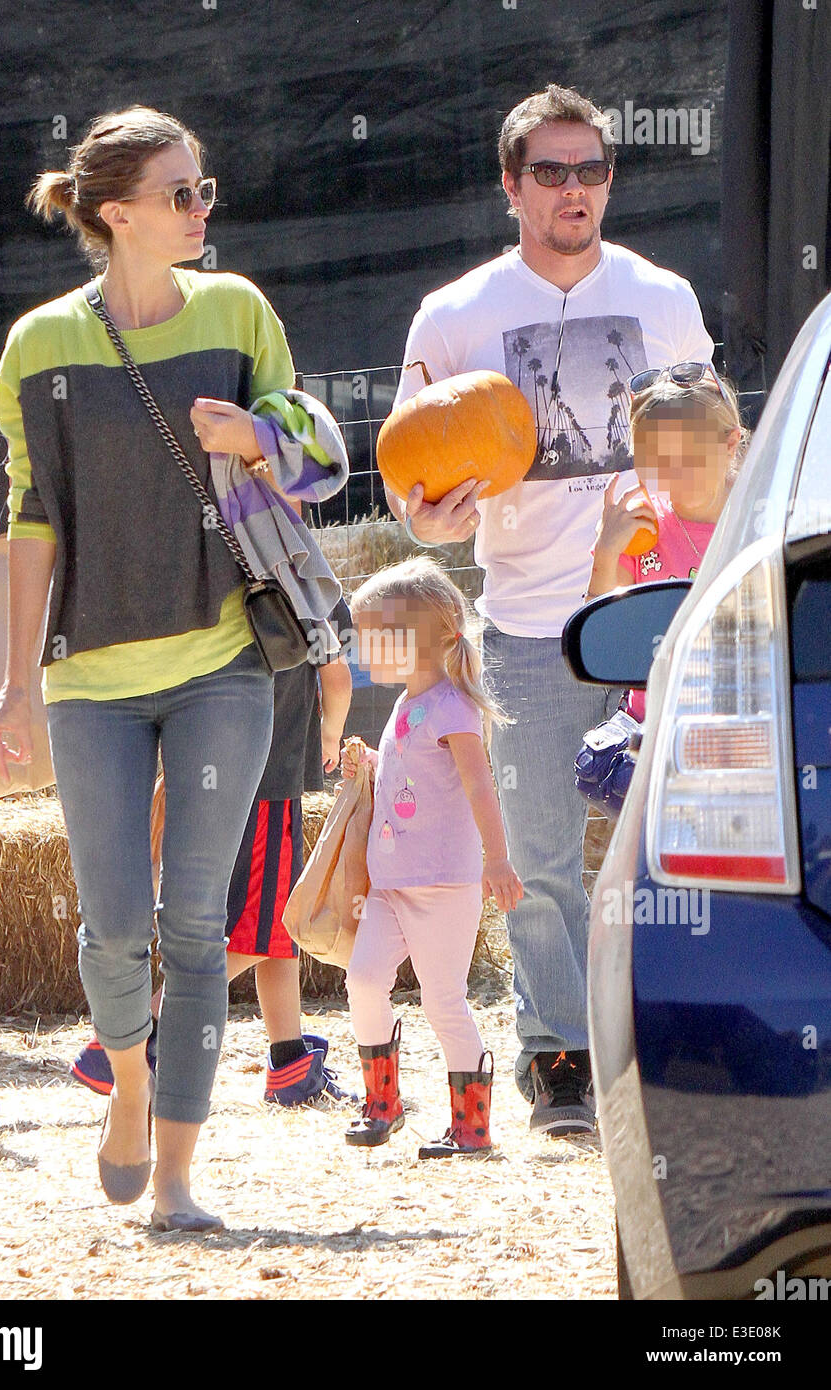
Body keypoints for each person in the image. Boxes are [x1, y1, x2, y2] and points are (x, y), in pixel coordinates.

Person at [0, 107, 347, 1234]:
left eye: (204, 190)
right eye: (179, 195)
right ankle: (128, 1096)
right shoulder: (38, 344)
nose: (201, 211)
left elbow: (306, 446)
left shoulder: (238, 312)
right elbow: (30, 516)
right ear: (114, 214)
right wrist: (10, 677)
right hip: (88, 676)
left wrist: (255, 436)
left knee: (196, 922)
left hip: (224, 662)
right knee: (110, 923)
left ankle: (180, 1174)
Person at [382, 84, 716, 1136]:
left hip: (659, 612)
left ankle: (678, 1040)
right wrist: (433, 525)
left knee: (680, 842)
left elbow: (708, 443)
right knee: (532, 852)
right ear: (510, 184)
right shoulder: (456, 314)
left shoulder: (662, 297)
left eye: (592, 170)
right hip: (527, 619)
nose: (575, 190)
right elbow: (410, 488)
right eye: (551, 172)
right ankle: (556, 1057)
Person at [71, 597, 357, 1108]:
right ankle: (136, 1029)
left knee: (273, 920)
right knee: (267, 925)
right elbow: (336, 677)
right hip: (271, 777)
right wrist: (331, 731)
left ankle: (290, 1059)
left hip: (207, 770)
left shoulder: (217, 575)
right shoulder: (310, 586)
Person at [339, 557, 522, 1157]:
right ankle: (383, 1103)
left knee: (443, 1001)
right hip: (391, 883)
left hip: (444, 884)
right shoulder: (404, 708)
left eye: (373, 635)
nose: (362, 649)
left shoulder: (453, 709)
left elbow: (479, 786)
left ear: (417, 637)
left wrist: (497, 859)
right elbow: (411, 780)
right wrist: (370, 765)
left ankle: (472, 1127)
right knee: (364, 979)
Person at [585, 361, 747, 719]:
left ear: (730, 443)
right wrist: (606, 552)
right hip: (659, 733)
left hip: (753, 724)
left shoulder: (762, 521)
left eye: (689, 451)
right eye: (656, 455)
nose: (672, 468)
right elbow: (602, 644)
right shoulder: (639, 529)